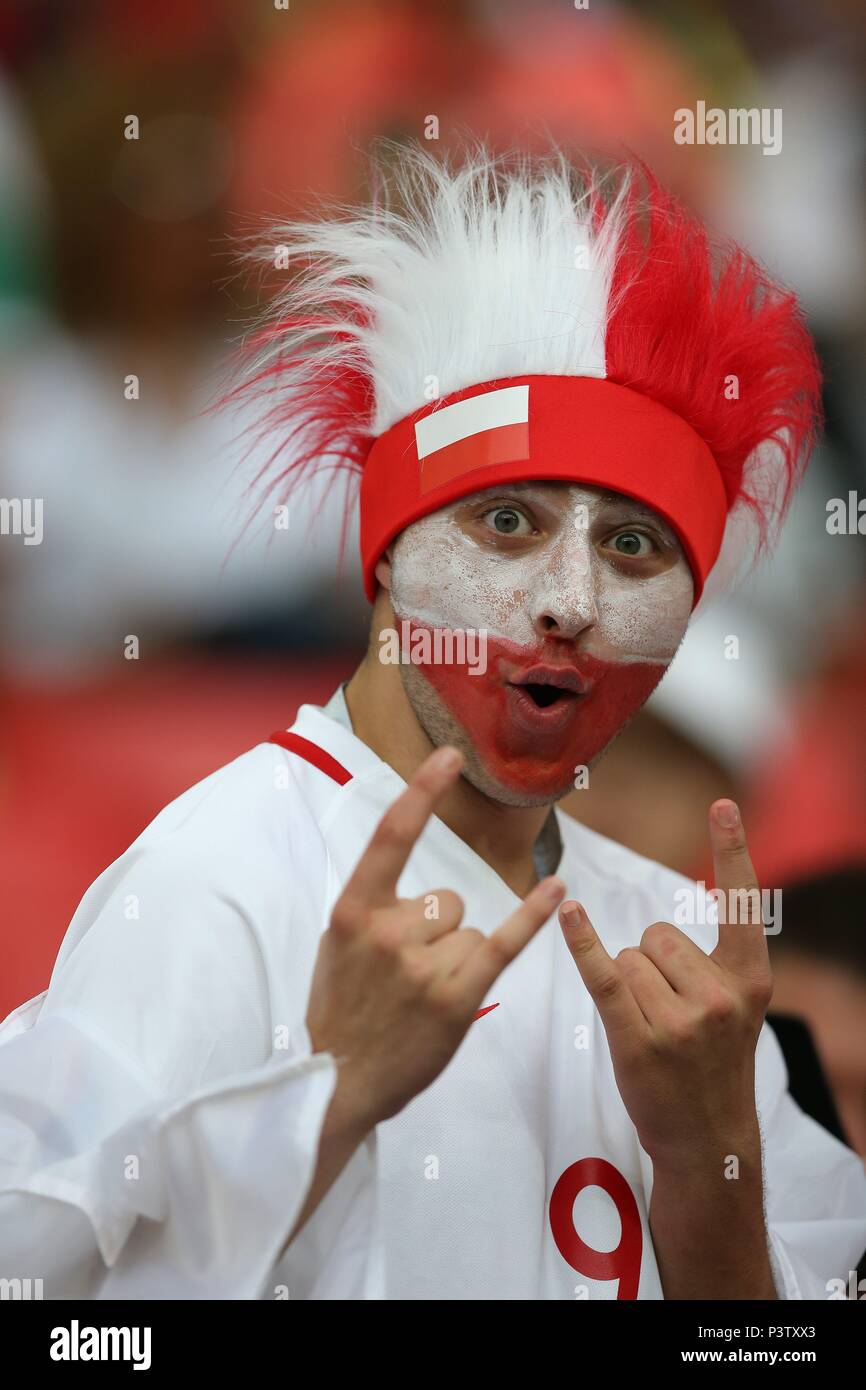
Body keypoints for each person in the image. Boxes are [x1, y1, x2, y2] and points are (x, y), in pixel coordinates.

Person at [2, 141, 864, 1301]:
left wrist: (707, 1165)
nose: (569, 599)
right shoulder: (212, 882)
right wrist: (331, 1093)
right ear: (382, 563)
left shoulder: (682, 955)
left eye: (632, 545)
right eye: (507, 520)